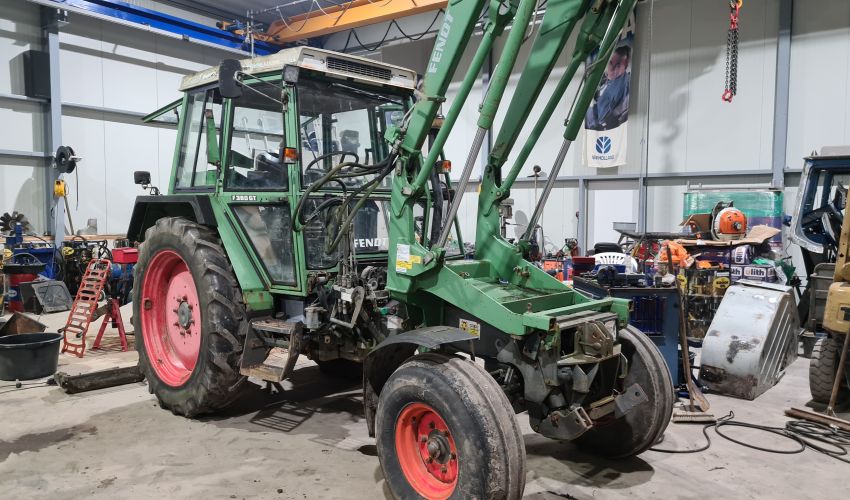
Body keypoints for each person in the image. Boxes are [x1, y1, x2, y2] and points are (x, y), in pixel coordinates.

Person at [585, 45, 631, 131]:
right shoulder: (603, 78)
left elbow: (600, 117)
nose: (612, 68)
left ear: (626, 66)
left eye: (618, 65)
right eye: (610, 63)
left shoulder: (621, 87)